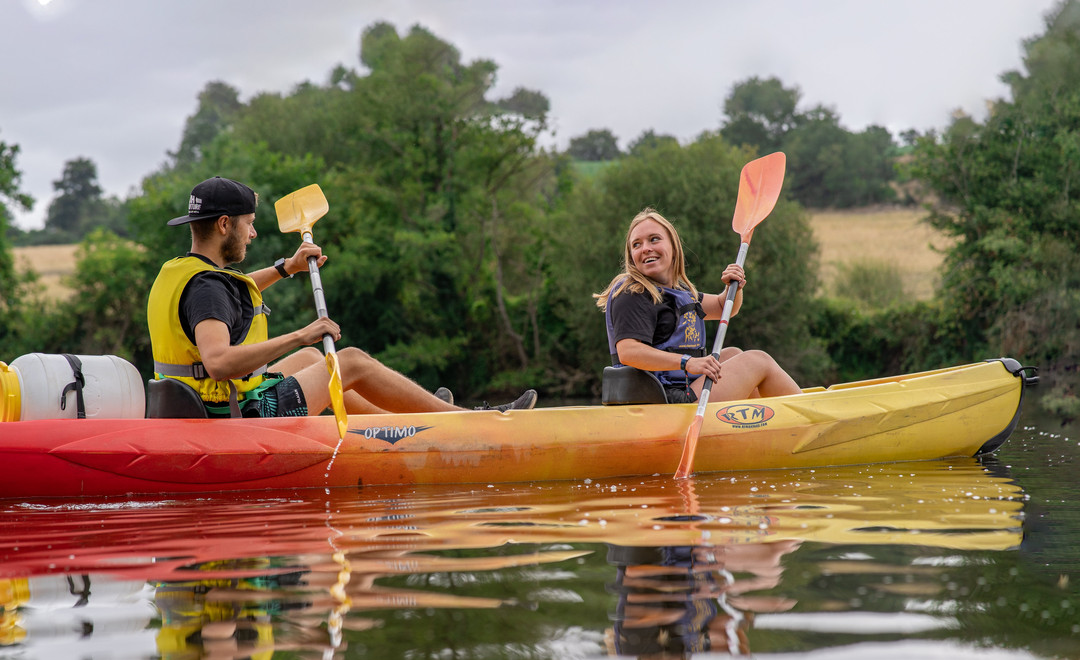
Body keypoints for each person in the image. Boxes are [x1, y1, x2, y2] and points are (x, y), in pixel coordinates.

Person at [148, 176, 536, 418]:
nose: (252, 234)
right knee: (347, 362)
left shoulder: (185, 271)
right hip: (236, 414)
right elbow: (218, 363)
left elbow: (230, 294)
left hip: (206, 404)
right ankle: (466, 420)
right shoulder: (208, 287)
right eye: (248, 225)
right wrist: (301, 333)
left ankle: (397, 423)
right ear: (223, 225)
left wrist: (286, 268)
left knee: (311, 359)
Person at [594, 207, 801, 404]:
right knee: (758, 361)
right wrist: (687, 362)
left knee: (733, 354)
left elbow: (723, 308)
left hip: (682, 388)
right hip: (664, 398)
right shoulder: (633, 293)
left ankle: (760, 425)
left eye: (654, 239)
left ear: (673, 247)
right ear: (631, 256)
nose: (646, 248)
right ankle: (809, 415)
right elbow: (629, 352)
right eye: (636, 244)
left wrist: (734, 288)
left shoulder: (678, 292)